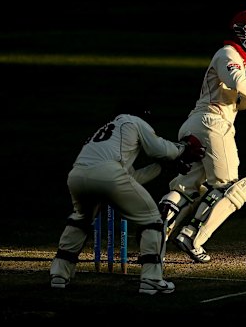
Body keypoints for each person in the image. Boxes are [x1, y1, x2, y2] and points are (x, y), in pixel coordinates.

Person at [158, 9, 246, 263]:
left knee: (186, 185)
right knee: (229, 187)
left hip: (198, 123)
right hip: (212, 124)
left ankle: (155, 237)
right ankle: (192, 237)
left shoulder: (235, 58)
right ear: (242, 33)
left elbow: (238, 100)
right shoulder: (228, 54)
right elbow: (237, 82)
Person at [49, 101, 205, 294]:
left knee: (80, 220)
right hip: (108, 174)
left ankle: (59, 274)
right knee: (153, 221)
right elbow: (160, 150)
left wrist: (162, 168)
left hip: (77, 176)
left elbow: (130, 178)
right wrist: (183, 147)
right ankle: (152, 278)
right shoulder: (132, 120)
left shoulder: (107, 135)